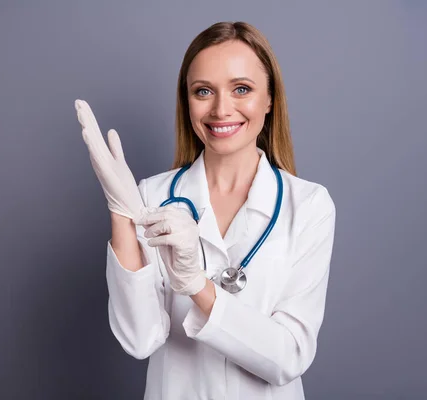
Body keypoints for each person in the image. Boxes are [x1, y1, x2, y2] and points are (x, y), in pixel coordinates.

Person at [75, 21, 336, 400]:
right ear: (187, 101)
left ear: (270, 99)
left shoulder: (309, 205)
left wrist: (197, 285)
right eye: (203, 91)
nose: (220, 109)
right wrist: (120, 211)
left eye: (241, 89)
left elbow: (288, 356)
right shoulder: (151, 195)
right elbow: (139, 338)